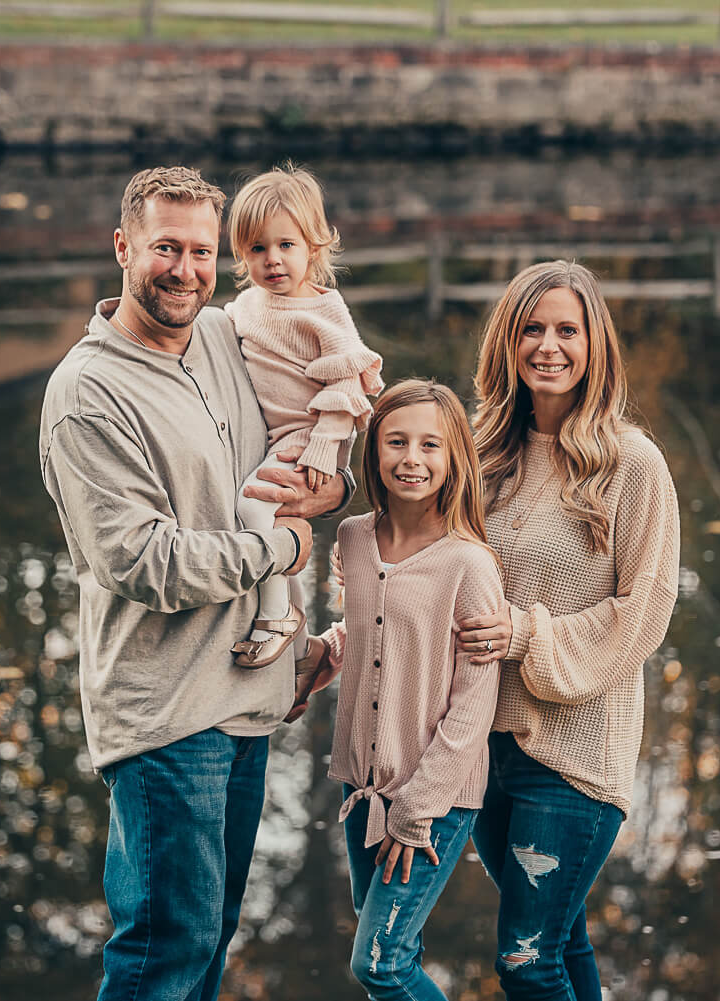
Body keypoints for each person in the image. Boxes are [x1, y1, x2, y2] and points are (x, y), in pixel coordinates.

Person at [37, 166, 352, 1001]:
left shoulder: (224, 335)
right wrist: (280, 551)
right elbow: (143, 561)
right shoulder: (87, 393)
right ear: (123, 248)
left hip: (245, 695)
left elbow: (300, 436)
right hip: (166, 716)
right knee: (162, 950)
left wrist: (335, 483)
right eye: (165, 248)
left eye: (202, 252)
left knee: (207, 940)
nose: (184, 270)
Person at [454, 260, 681, 1000]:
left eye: (567, 329)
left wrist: (525, 633)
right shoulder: (479, 453)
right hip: (481, 746)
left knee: (525, 961)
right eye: (532, 328)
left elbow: (641, 611)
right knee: (560, 940)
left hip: (574, 753)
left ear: (595, 345)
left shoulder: (631, 464)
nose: (549, 345)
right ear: (508, 342)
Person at [297, 379, 505, 1001]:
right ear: (375, 451)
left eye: (429, 446)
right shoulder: (355, 538)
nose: (412, 459)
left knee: (381, 965)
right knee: (384, 947)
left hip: (431, 797)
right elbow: (368, 629)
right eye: (397, 442)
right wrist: (325, 654)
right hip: (362, 786)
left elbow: (475, 698)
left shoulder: (469, 564)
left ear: (453, 460)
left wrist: (419, 810)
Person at [223, 164, 383, 668]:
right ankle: (298, 639)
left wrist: (323, 448)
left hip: (311, 430)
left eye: (286, 246)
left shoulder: (324, 311)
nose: (273, 260)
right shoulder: (247, 304)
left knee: (254, 507)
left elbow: (347, 382)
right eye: (258, 249)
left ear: (313, 248)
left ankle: (277, 614)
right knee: (272, 514)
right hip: (280, 434)